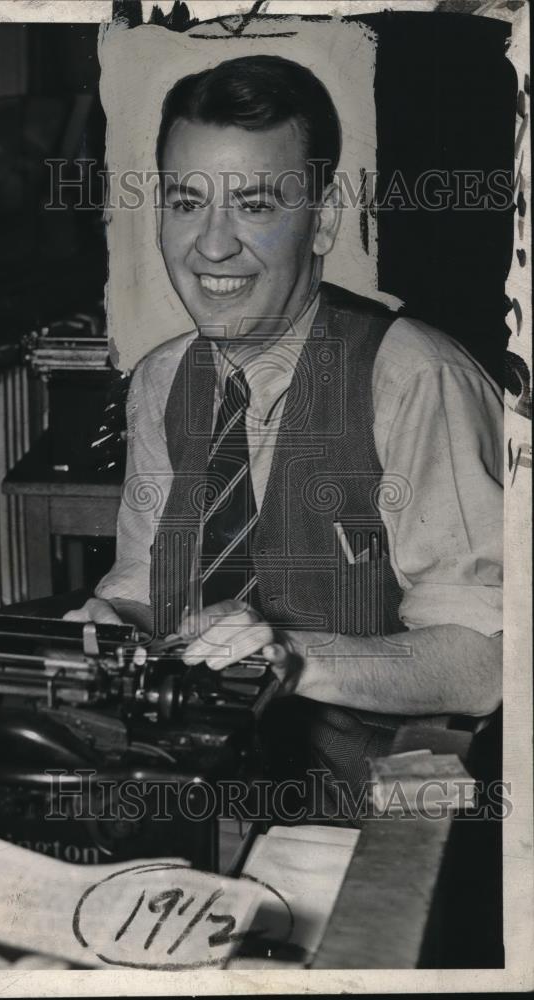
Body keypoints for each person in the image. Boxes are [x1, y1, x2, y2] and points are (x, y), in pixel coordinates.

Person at [65, 55, 502, 805]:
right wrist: (112, 622)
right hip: (190, 776)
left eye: (256, 204)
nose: (210, 245)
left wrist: (289, 658)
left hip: (367, 807)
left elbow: (483, 659)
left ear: (324, 218)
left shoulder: (416, 380)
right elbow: (143, 584)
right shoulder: (160, 381)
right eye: (185, 200)